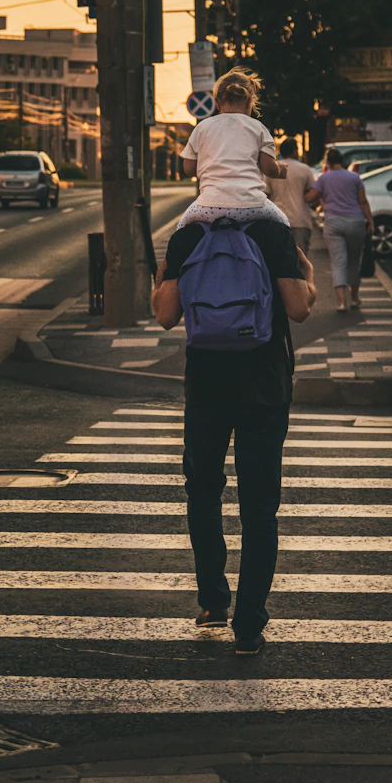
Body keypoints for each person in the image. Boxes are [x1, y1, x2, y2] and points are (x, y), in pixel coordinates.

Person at [152, 222, 317, 655]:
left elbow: (165, 315)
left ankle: (212, 602)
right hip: (265, 387)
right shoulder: (273, 233)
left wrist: (163, 274)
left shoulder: (188, 235)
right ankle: (248, 626)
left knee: (203, 493)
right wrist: (310, 277)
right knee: (259, 507)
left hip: (206, 387)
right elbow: (299, 309)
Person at [178, 68, 289, 229]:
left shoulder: (202, 128)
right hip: (252, 206)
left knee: (180, 232)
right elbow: (269, 169)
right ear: (250, 101)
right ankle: (299, 255)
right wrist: (281, 170)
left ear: (216, 102)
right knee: (284, 226)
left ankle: (169, 256)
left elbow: (188, 169)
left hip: (209, 206)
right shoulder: (258, 128)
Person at [305, 147, 374, 311]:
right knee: (353, 261)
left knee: (338, 262)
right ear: (342, 161)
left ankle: (342, 302)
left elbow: (310, 197)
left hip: (333, 222)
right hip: (355, 221)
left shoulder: (324, 178)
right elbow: (363, 201)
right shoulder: (355, 177)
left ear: (328, 162)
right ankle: (355, 298)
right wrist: (370, 221)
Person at [265, 137, 316, 256]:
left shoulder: (273, 170)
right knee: (301, 261)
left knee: (279, 258)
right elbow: (313, 194)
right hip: (300, 220)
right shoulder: (305, 169)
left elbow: (265, 195)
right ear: (294, 151)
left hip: (276, 219)